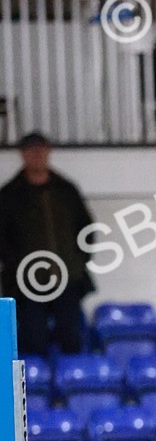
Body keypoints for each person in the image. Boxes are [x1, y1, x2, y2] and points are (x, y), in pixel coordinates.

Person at [0, 132, 96, 357]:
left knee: (71, 338)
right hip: (26, 283)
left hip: (68, 279)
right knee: (33, 339)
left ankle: (73, 385)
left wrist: (79, 261)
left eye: (40, 150)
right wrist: (16, 267)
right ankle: (36, 388)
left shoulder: (66, 190)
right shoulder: (9, 196)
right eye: (31, 151)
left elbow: (86, 227)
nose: (37, 155)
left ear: (48, 151)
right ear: (22, 155)